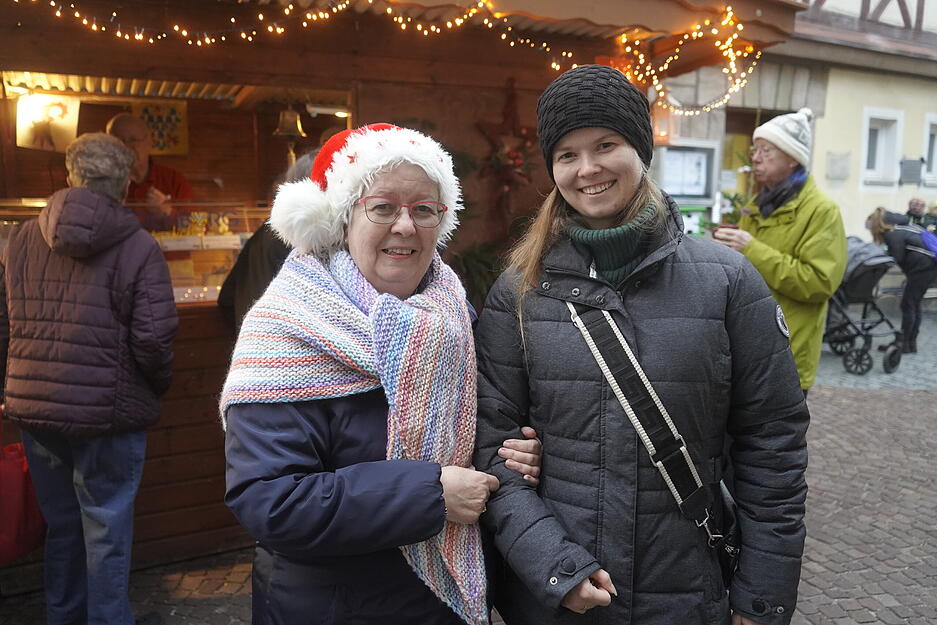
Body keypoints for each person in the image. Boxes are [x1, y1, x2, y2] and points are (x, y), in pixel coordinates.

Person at [473, 65, 808, 625]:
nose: (588, 169)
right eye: (567, 154)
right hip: (561, 599)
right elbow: (491, 443)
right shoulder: (520, 291)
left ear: (640, 149)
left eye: (606, 144)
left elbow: (772, 442)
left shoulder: (728, 282)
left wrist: (762, 595)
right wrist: (554, 566)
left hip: (688, 589)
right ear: (552, 168)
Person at [220, 123, 541, 625]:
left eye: (424, 209)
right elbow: (271, 501)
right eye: (383, 207)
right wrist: (430, 493)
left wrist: (511, 451)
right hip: (333, 607)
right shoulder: (286, 331)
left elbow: (475, 433)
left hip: (443, 603)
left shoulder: (454, 318)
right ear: (343, 218)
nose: (406, 226)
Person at [0, 133, 178, 625]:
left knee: (62, 527)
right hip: (109, 415)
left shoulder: (19, 237)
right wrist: (153, 388)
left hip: (36, 412)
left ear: (70, 175)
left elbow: (4, 323)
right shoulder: (140, 247)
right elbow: (154, 341)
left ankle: (64, 617)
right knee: (107, 531)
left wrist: (9, 388)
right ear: (125, 187)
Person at [714, 107, 846, 396]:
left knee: (774, 440)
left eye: (766, 150)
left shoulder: (822, 211)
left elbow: (818, 283)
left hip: (787, 352)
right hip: (747, 347)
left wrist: (750, 248)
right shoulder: (760, 203)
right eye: (755, 149)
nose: (755, 157)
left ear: (791, 158)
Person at [216, 153, 314, 331]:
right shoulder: (298, 241)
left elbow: (226, 299)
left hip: (255, 342)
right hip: (279, 345)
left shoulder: (262, 235)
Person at [866, 207, 937, 353]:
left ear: (876, 225)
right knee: (914, 304)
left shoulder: (893, 234)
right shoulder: (903, 228)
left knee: (908, 304)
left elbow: (896, 258)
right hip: (929, 267)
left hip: (922, 269)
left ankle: (904, 343)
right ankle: (910, 343)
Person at [106, 113, 194, 231]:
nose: (125, 147)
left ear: (149, 142)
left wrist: (166, 212)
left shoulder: (173, 179)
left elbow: (194, 226)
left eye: (133, 140)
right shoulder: (101, 184)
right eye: (118, 141)